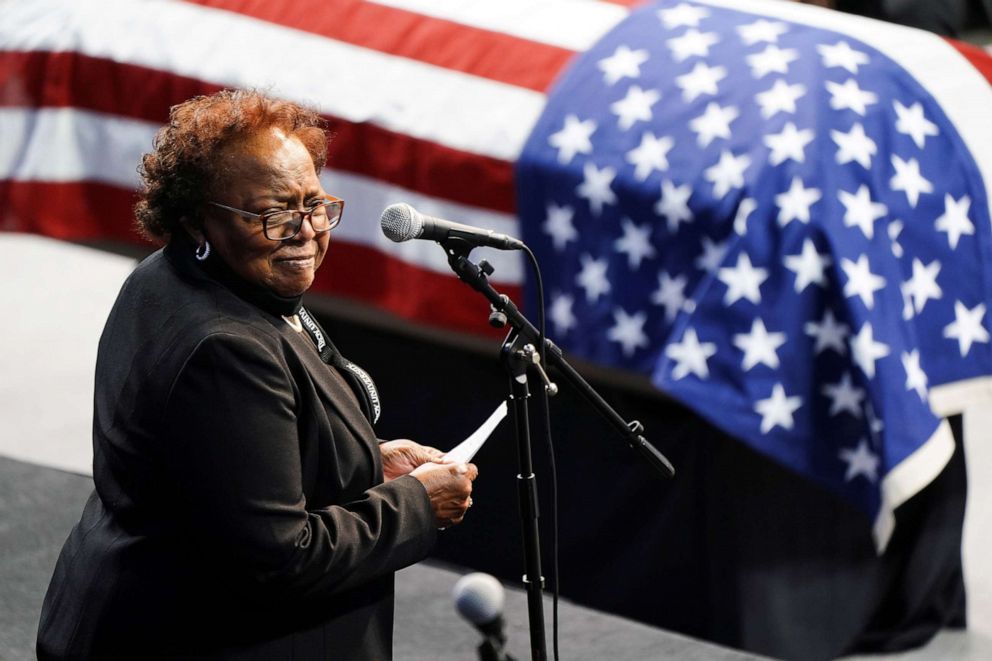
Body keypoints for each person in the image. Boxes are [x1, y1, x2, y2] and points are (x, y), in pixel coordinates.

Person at [36, 88, 478, 660]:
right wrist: (417, 505)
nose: (305, 231)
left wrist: (371, 460)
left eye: (315, 205)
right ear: (198, 220)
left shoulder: (181, 276)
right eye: (271, 214)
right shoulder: (226, 348)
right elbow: (280, 559)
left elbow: (226, 464)